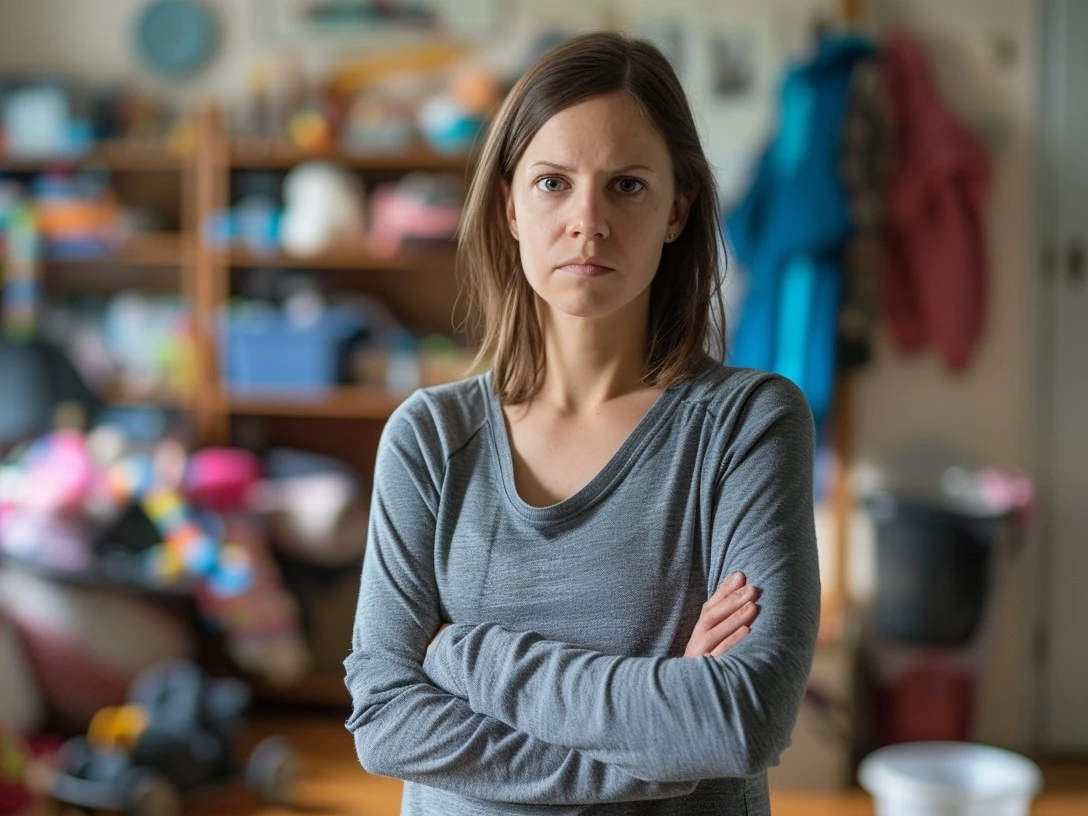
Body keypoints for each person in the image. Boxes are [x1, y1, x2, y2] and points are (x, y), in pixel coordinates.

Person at [343, 31, 820, 816]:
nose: (588, 220)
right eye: (553, 183)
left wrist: (466, 654)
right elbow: (386, 720)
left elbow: (742, 716)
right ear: (509, 208)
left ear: (678, 208)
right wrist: (657, 744)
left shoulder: (748, 425)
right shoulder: (428, 438)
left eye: (628, 185)